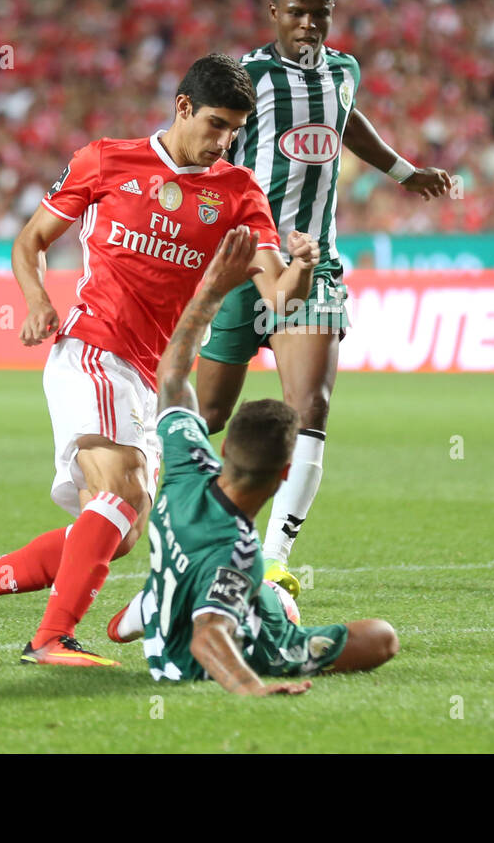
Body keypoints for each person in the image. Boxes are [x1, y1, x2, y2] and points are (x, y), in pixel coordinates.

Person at [0, 54, 321, 666]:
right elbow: (30, 240)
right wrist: (37, 301)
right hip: (93, 350)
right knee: (125, 487)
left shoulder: (239, 191)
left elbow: (276, 294)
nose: (223, 144)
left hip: (154, 377)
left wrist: (303, 266)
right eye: (215, 125)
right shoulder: (106, 160)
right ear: (182, 107)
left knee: (122, 530)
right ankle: (51, 638)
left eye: (235, 133)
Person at [196, 0, 454, 598]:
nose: (310, 23)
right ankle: (190, 532)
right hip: (245, 262)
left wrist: (404, 171)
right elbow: (207, 144)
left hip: (317, 267)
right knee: (209, 414)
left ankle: (274, 561)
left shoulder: (344, 71)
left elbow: (344, 122)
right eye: (298, 12)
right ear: (273, 10)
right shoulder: (247, 77)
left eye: (321, 13)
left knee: (307, 408)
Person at [106, 225, 399, 692]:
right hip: (212, 658)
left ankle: (157, 599)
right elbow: (208, 639)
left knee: (235, 589)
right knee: (383, 637)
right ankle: (265, 606)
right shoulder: (239, 552)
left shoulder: (184, 470)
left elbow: (173, 377)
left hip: (171, 627)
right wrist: (252, 686)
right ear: (285, 475)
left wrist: (211, 290)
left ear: (222, 447)